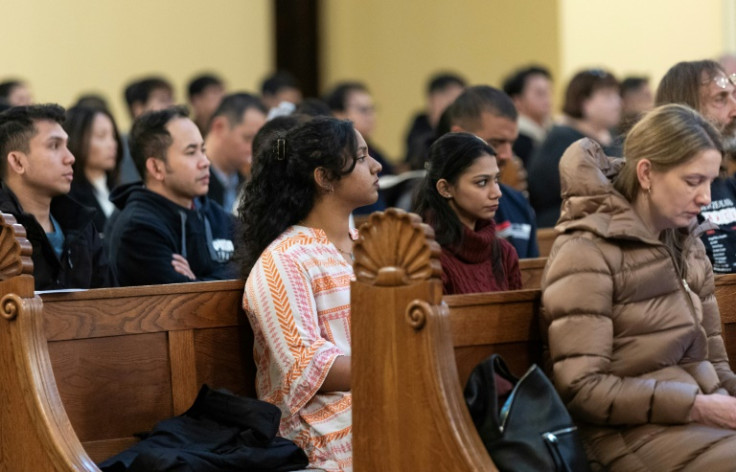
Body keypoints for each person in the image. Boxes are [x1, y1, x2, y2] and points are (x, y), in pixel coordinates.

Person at [541, 104, 736, 471]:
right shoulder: (587, 251)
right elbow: (583, 389)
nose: (706, 197)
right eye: (693, 181)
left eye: (711, 181)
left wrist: (715, 401)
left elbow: (716, 366)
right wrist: (696, 404)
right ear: (646, 173)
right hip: (628, 438)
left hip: (702, 425)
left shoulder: (689, 246)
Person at [239, 116, 382, 471]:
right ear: (324, 178)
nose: (377, 166)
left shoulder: (372, 250)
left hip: (379, 402)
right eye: (363, 158)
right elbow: (309, 369)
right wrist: (396, 366)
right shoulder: (283, 261)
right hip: (317, 434)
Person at [106, 106, 237, 286]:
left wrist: (197, 283)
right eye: (191, 152)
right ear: (156, 168)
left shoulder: (213, 213)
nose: (205, 162)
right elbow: (183, 306)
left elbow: (254, 272)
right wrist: (221, 276)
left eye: (203, 150)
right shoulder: (138, 229)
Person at [0, 104, 114, 290]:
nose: (70, 158)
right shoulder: (3, 232)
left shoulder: (81, 226)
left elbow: (113, 303)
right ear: (18, 161)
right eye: (54, 146)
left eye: (66, 146)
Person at [413, 132, 521, 294]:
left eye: (496, 180)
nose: (497, 193)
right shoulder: (427, 257)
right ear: (445, 188)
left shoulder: (505, 253)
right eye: (482, 182)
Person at [656, 60, 736, 273]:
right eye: (721, 99)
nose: (734, 109)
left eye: (733, 95)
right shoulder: (660, 189)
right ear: (687, 110)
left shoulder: (728, 178)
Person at [443, 85, 539, 259]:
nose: (507, 155)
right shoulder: (430, 205)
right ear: (459, 136)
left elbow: (532, 277)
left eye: (511, 143)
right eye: (495, 143)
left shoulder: (518, 203)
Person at [528, 68, 621, 228]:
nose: (618, 103)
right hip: (562, 225)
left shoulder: (608, 137)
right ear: (584, 102)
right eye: (608, 96)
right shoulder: (563, 140)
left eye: (617, 95)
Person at [64, 106, 123, 234]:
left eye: (113, 136)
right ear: (77, 140)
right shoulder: (69, 198)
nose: (112, 144)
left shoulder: (119, 190)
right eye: (101, 136)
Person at [204, 93, 267, 209]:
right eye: (248, 138)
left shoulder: (245, 179)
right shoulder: (196, 182)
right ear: (219, 127)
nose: (256, 148)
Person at [403, 72, 466, 170]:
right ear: (432, 98)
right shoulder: (419, 128)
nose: (456, 105)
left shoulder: (463, 127)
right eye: (451, 97)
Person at [502, 65, 554, 167]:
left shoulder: (552, 132)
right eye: (540, 93)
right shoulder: (514, 140)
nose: (548, 99)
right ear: (517, 101)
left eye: (549, 92)